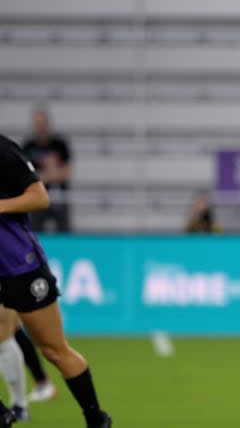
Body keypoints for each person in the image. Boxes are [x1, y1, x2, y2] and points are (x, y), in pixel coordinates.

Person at [0, 134, 112, 428]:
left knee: (53, 350)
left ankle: (96, 419)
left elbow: (39, 196)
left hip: (18, 265)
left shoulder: (2, 150)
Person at [22, 103, 73, 233]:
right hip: (37, 197)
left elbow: (67, 173)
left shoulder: (59, 145)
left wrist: (42, 176)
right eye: (37, 123)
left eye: (42, 122)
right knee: (35, 232)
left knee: (64, 234)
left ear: (48, 123)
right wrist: (52, 173)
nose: (40, 126)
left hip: (59, 197)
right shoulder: (28, 146)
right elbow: (25, 177)